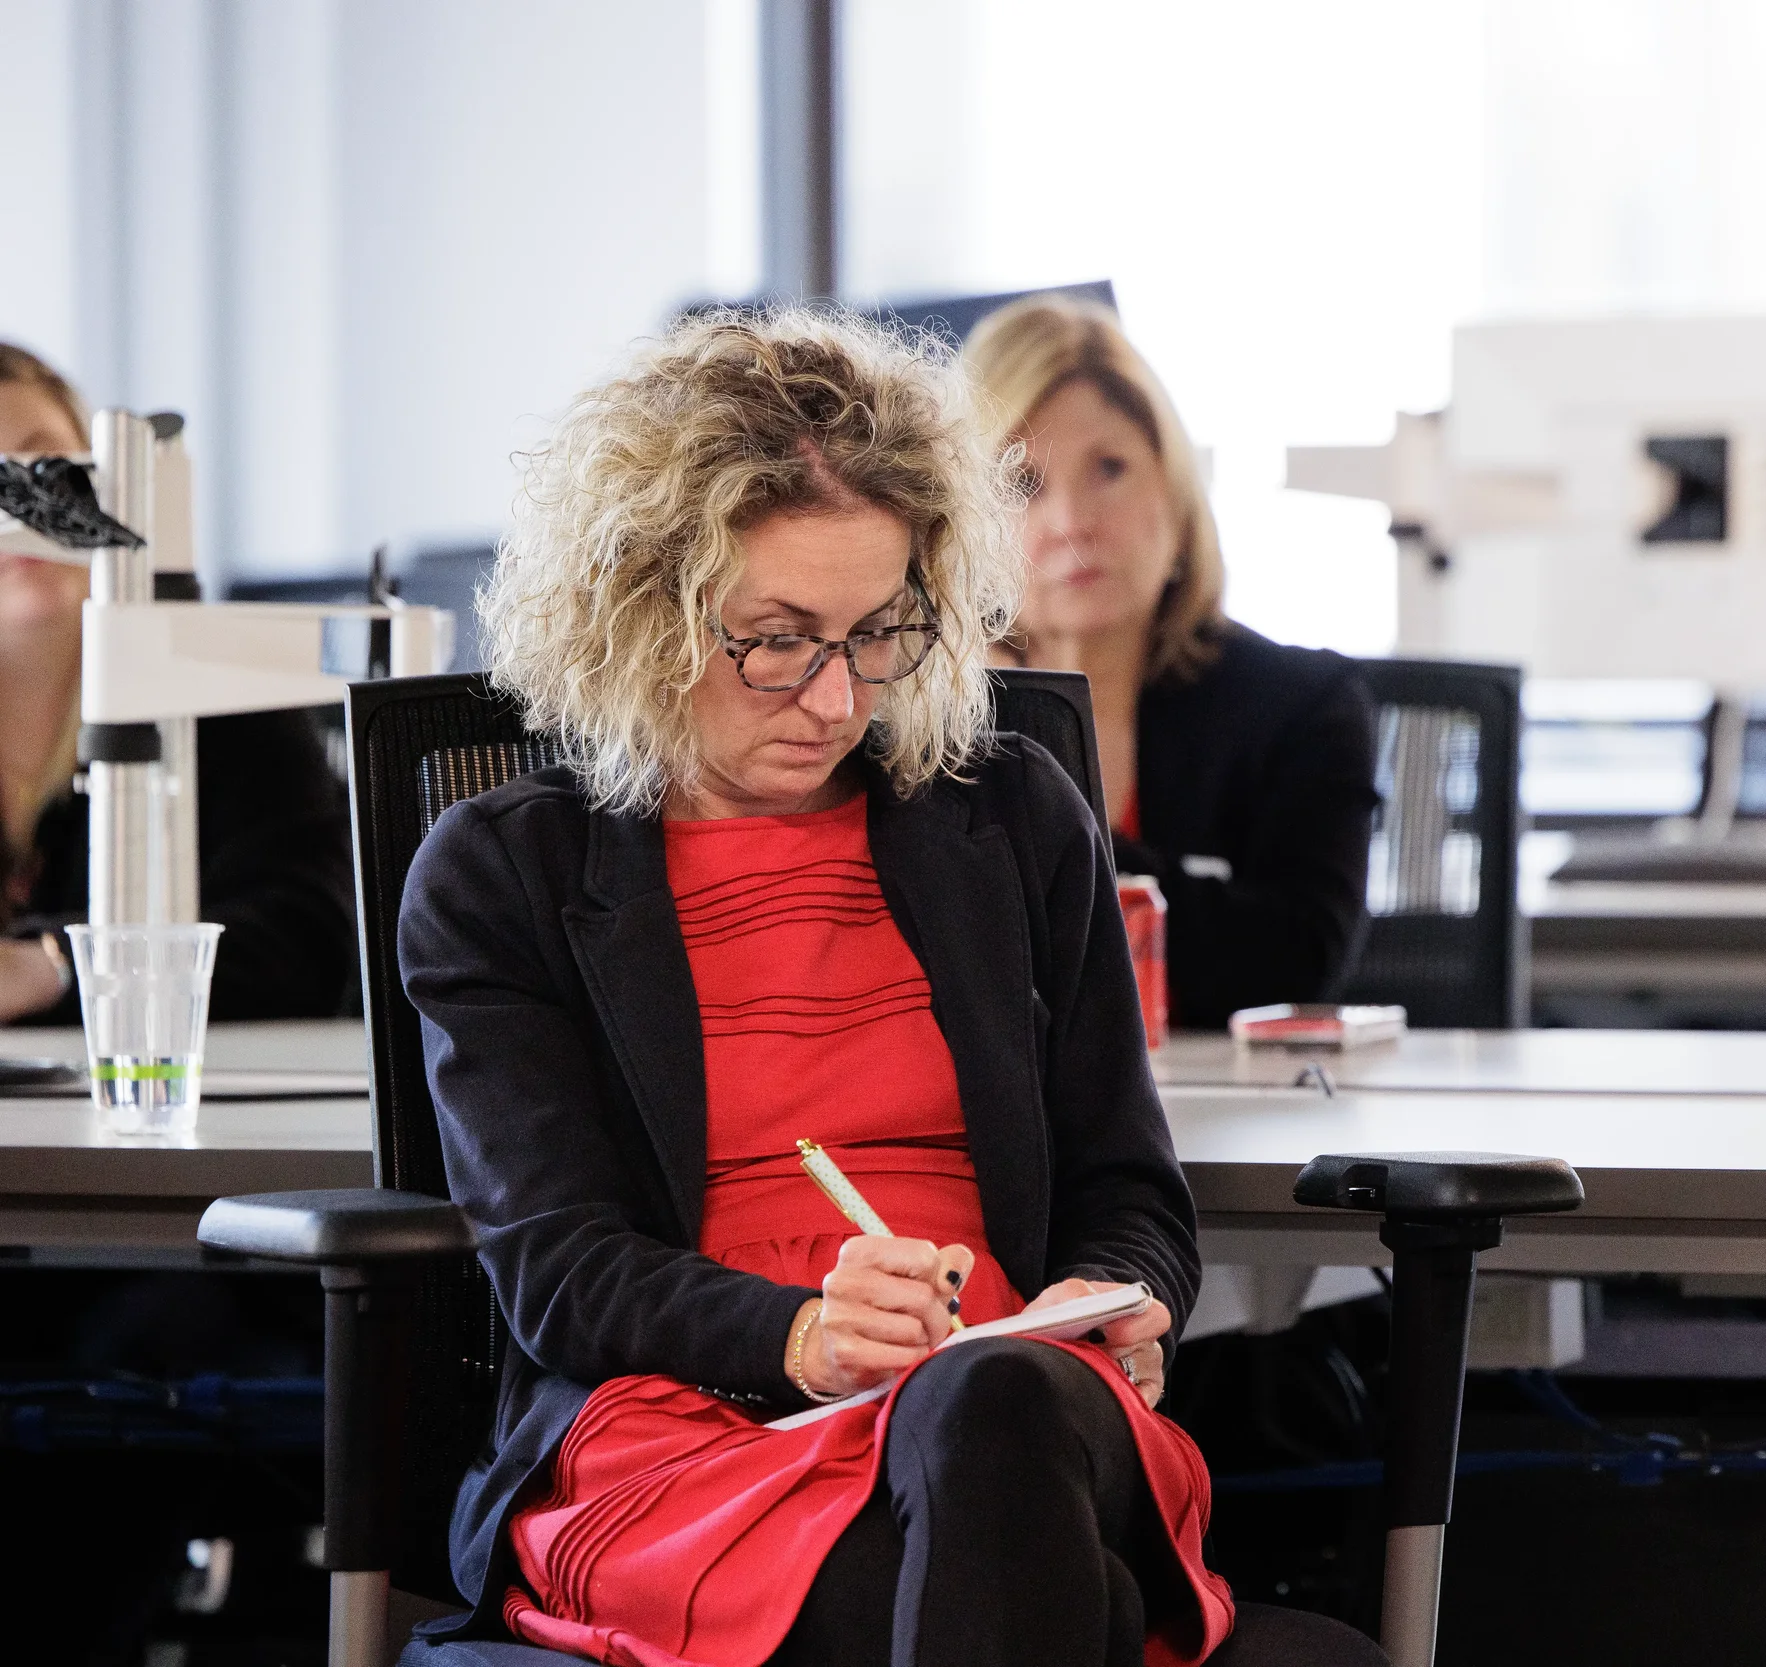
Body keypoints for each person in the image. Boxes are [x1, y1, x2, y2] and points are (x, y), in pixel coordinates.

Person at [400, 308, 1247, 1667]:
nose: (836, 695)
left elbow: (1128, 1187)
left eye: (879, 630)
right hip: (685, 1426)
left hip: (1016, 1399)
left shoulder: (1012, 816)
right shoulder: (508, 870)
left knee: (988, 1413)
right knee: (1031, 1587)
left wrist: (1127, 1291)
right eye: (778, 638)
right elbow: (559, 1270)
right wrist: (803, 1333)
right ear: (644, 617)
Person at [961, 299, 1377, 1031]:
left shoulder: (1304, 706)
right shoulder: (919, 715)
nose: (1071, 522)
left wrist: (1049, 833)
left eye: (1110, 468)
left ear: (1176, 495)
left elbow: (1297, 960)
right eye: (1022, 485)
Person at [0, 343, 355, 1025]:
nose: (26, 506)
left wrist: (52, 970)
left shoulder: (213, 686)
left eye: (47, 466)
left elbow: (307, 942)